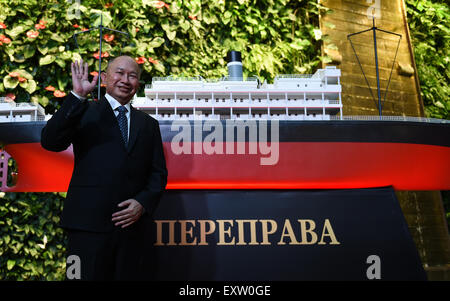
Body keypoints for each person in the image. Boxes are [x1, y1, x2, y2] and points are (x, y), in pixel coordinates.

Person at [41, 56, 168, 280]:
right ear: (104, 78)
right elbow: (50, 141)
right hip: (86, 227)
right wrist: (77, 96)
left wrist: (143, 203)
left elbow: (158, 173)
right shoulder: (83, 110)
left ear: (138, 83)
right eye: (119, 73)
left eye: (132, 76)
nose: (125, 80)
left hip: (132, 230)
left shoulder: (149, 124)